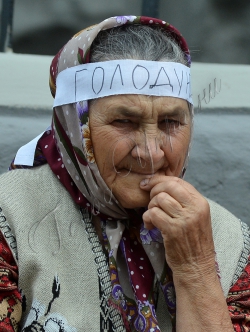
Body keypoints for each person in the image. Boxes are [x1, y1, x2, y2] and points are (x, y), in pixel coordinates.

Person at [0, 15, 249, 332]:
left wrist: (196, 268)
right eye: (124, 122)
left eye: (170, 122)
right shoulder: (11, 219)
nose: (151, 152)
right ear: (75, 127)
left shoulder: (228, 240)